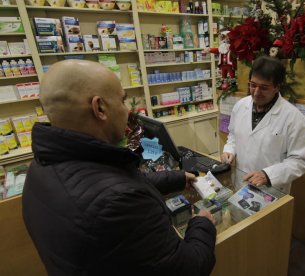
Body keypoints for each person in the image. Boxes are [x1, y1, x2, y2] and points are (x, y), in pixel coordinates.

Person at [22, 60, 216, 276]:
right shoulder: (118, 204)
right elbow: (189, 269)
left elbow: (111, 181)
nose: (128, 111)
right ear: (100, 108)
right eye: (123, 101)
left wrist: (177, 178)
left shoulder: (40, 168)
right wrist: (201, 224)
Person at [221, 56, 305, 194]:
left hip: (271, 190)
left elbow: (300, 160)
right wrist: (229, 150)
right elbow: (233, 135)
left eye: (264, 88)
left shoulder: (294, 118)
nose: (256, 92)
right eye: (253, 85)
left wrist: (268, 175)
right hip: (240, 184)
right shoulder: (241, 106)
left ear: (277, 87)